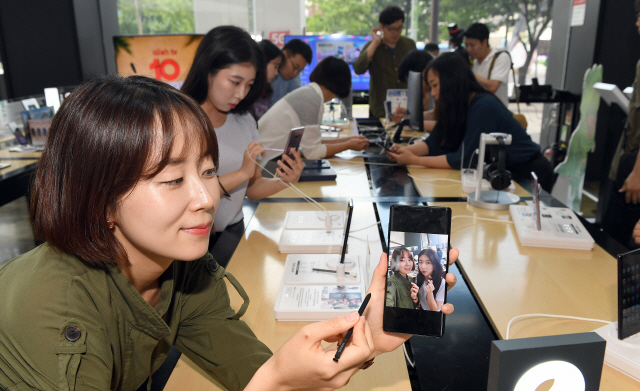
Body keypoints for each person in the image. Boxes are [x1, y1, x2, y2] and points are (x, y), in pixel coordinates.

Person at [0, 74, 462, 390]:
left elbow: (252, 369)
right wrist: (274, 379)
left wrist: (360, 343)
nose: (205, 197)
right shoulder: (57, 310)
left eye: (205, 171)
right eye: (172, 180)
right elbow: (268, 379)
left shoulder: (182, 271)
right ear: (100, 200)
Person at [181, 26, 304, 265]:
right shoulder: (180, 122)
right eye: (235, 82)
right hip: (193, 244)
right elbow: (186, 198)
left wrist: (284, 181)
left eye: (248, 84)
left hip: (234, 233)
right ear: (208, 71)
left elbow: (251, 187)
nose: (241, 93)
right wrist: (242, 173)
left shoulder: (244, 119)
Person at [386, 52, 554, 192]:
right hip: (503, 175)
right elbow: (436, 141)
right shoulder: (460, 106)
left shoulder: (483, 106)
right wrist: (405, 151)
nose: (434, 94)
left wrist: (414, 160)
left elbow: (464, 160)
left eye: (436, 86)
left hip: (526, 175)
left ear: (451, 82)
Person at [259, 56, 369, 161]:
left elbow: (313, 143)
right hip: (266, 162)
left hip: (267, 158)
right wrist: (348, 145)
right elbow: (313, 152)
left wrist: (348, 140)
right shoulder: (312, 99)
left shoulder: (311, 93)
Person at [602, 0, 640, 247]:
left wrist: (637, 172)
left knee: (619, 242)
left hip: (635, 166)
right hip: (629, 160)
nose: (637, 22)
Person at [353, 5, 416, 118]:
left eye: (399, 28)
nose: (395, 33)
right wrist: (375, 43)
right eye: (391, 29)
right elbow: (358, 68)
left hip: (405, 110)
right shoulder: (372, 47)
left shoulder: (409, 45)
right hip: (380, 110)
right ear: (381, 26)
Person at [463, 22, 511, 106]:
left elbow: (492, 87)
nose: (469, 49)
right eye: (466, 45)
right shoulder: (472, 61)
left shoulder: (501, 57)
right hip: (478, 111)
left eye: (472, 45)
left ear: (484, 42)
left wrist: (468, 73)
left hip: (497, 114)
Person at [392, 49, 437, 131]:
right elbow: (435, 114)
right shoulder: (427, 93)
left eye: (412, 82)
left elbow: (444, 124)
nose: (412, 87)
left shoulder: (439, 91)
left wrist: (409, 123)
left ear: (424, 73)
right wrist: (409, 118)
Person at [269, 38, 312, 106]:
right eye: (295, 67)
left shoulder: (292, 77)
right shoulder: (267, 68)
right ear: (284, 55)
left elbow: (300, 98)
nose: (295, 73)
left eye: (299, 71)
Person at [252, 40, 284, 119]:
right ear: (263, 62)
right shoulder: (248, 90)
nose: (276, 73)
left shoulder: (266, 90)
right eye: (275, 66)